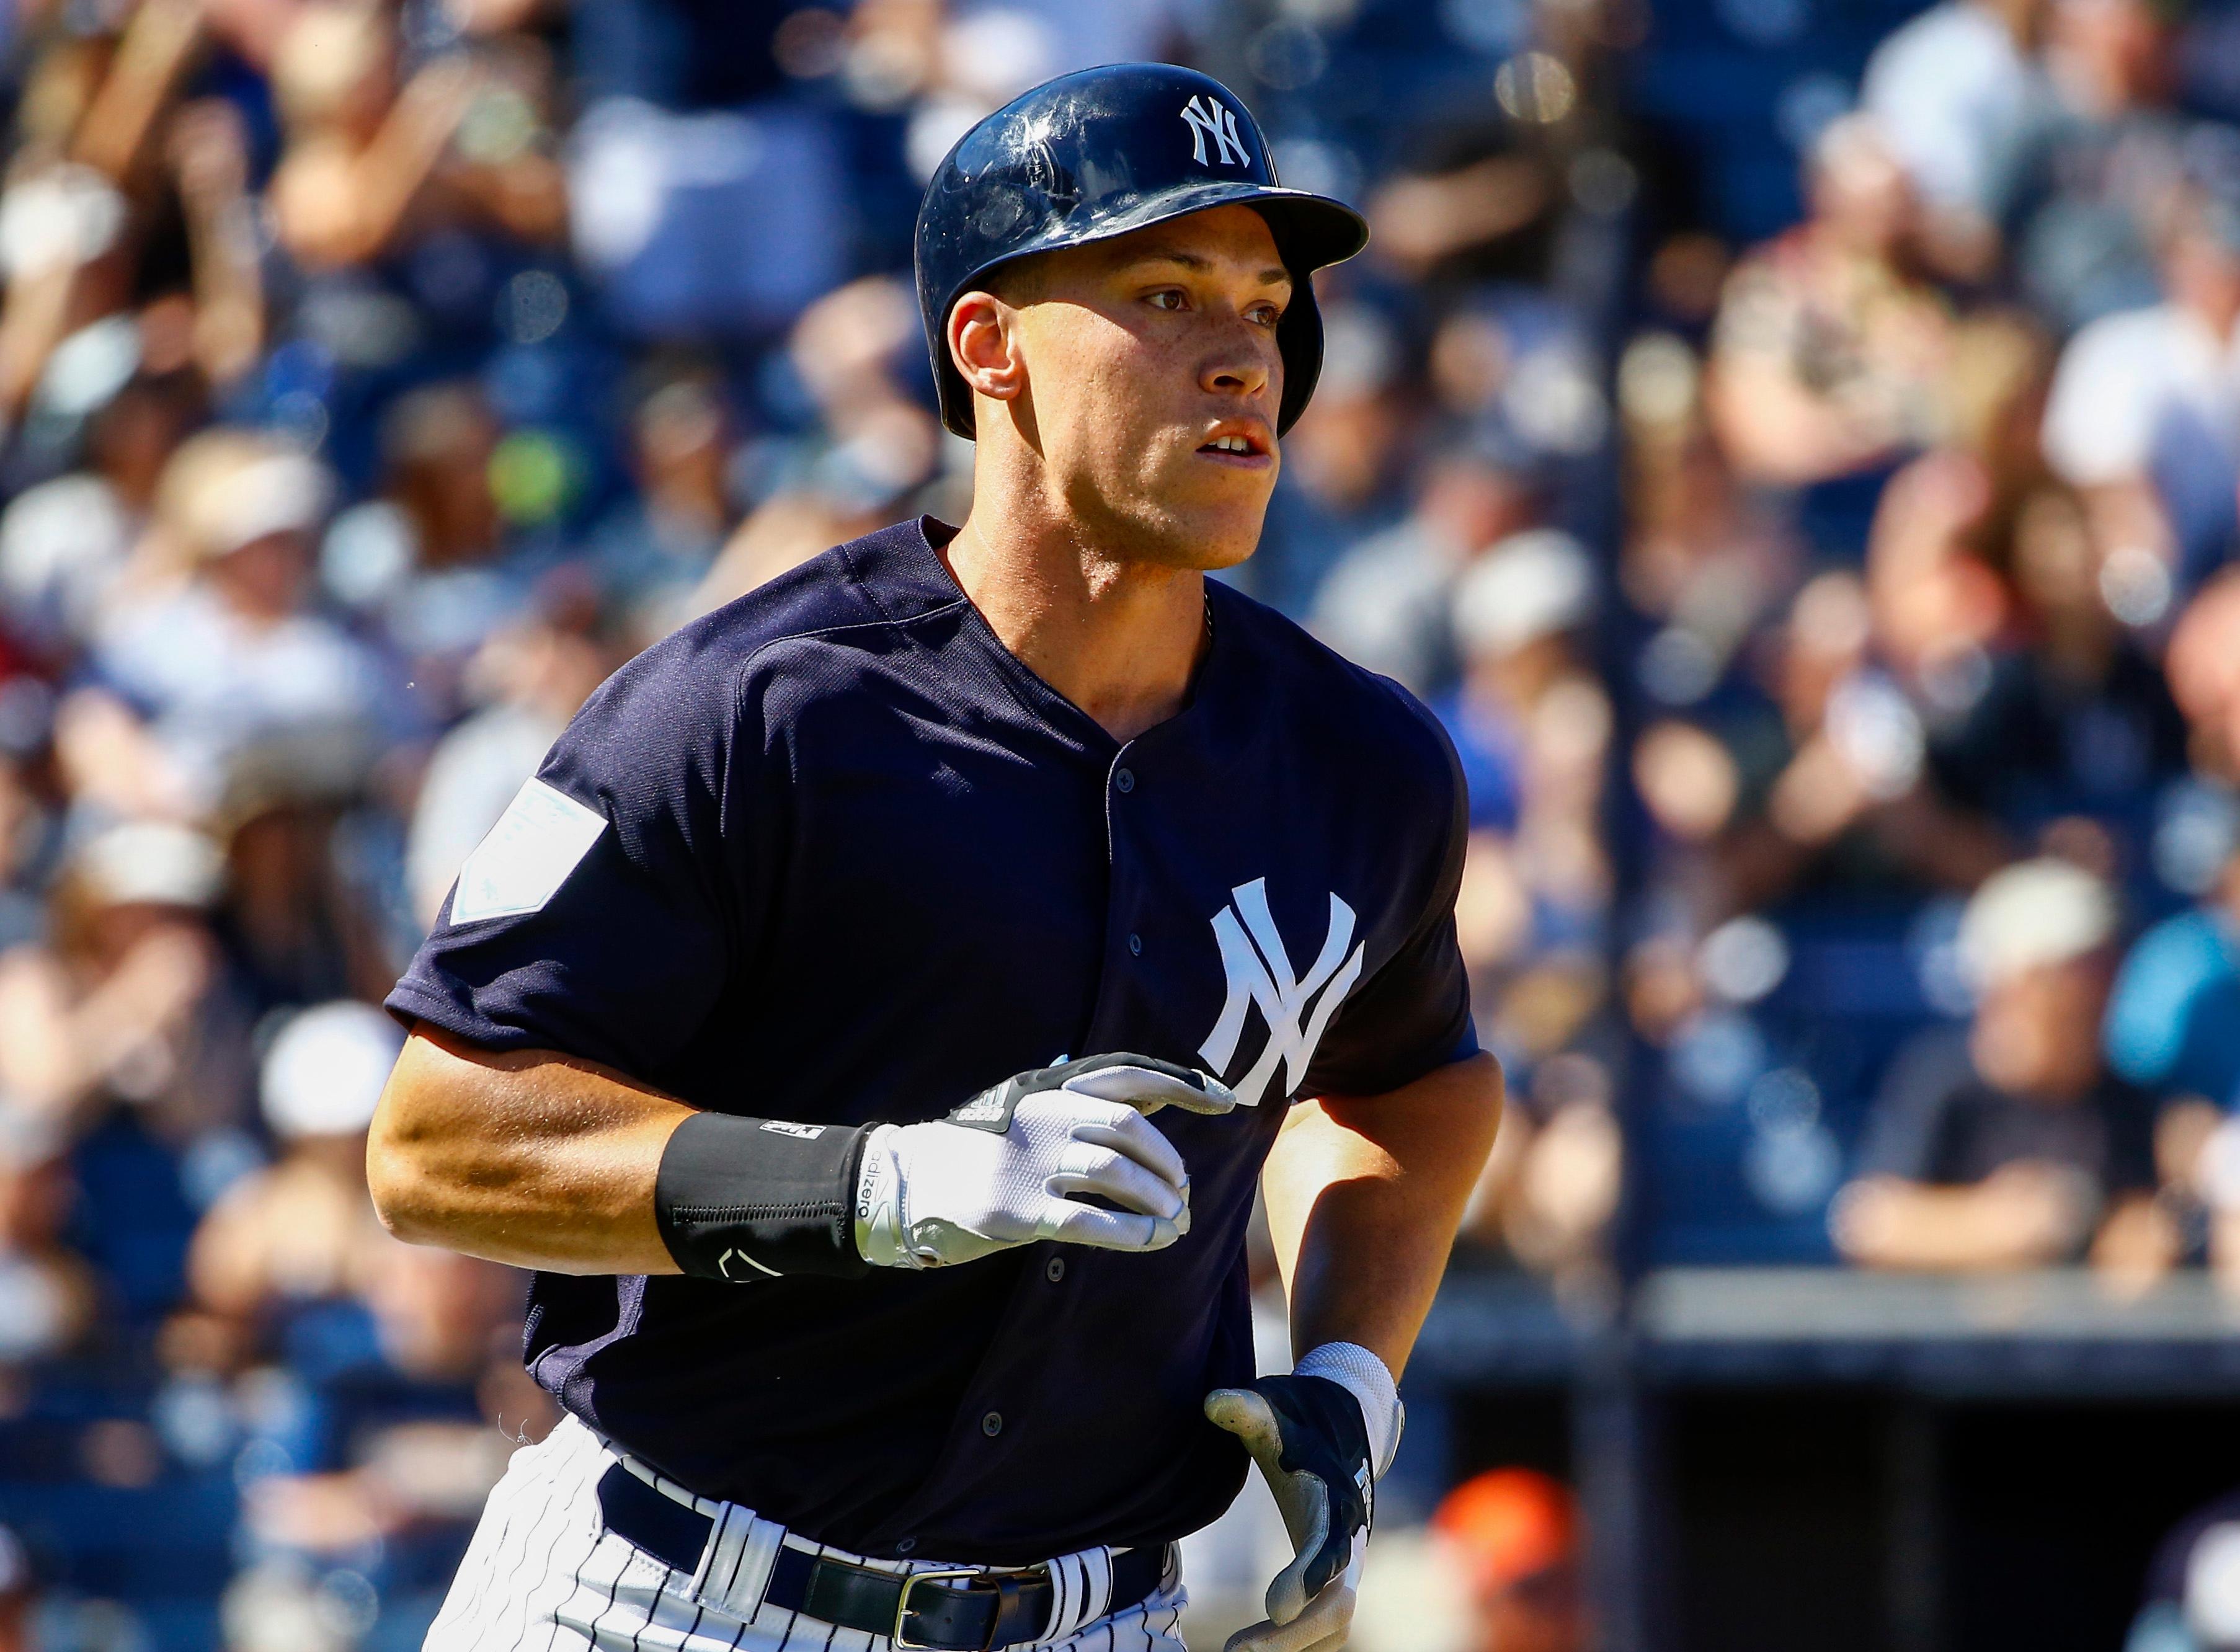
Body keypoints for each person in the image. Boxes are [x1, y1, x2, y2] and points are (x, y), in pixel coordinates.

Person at [368, 63, 1503, 1652]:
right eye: (1167, 292)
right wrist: (882, 1183)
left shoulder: (1362, 761)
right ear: (989, 348)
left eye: (1266, 299)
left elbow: (1414, 1085)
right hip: (668, 1590)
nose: (1245, 349)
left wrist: (1350, 1376)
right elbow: (438, 1141)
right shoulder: (748, 705)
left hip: (1092, 1616)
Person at [1830, 856, 2158, 1271]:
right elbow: (1870, 1224)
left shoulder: (2126, 1100)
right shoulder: (1943, 1080)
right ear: (2013, 982)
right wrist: (1995, 1226)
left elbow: (2141, 1220)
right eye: (2077, 968)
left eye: (2106, 964)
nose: (2098, 984)